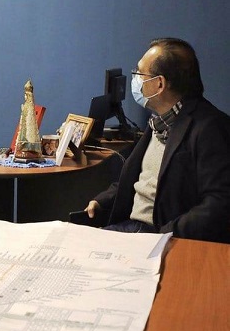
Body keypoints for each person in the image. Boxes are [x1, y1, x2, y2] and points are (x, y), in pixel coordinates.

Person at [83, 38, 230, 243]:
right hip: (132, 228)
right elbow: (140, 179)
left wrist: (164, 235)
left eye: (139, 73)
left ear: (159, 84)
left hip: (160, 236)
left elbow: (219, 203)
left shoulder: (210, 128)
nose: (135, 78)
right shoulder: (160, 121)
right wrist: (102, 201)